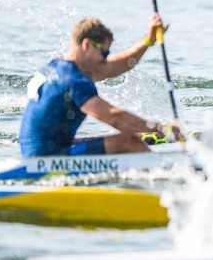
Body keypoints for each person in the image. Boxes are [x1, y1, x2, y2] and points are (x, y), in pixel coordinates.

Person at [19, 15, 181, 156]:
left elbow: (119, 64)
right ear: (87, 45)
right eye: (104, 53)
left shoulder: (58, 67)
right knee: (130, 142)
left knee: (129, 141)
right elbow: (114, 118)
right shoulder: (74, 80)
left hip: (36, 151)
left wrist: (148, 41)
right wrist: (162, 129)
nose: (105, 59)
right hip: (47, 159)